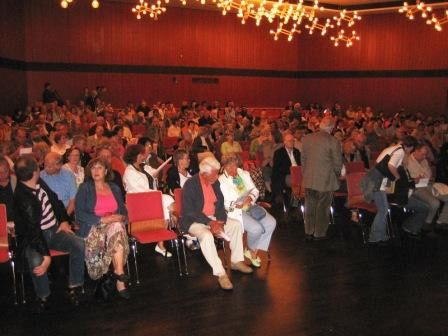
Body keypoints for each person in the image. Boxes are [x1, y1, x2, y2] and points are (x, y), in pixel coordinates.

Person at [13, 155, 85, 309]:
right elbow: (33, 231)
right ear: (35, 171)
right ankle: (43, 296)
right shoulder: (23, 196)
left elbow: (55, 200)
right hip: (33, 238)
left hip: (54, 229)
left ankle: (74, 286)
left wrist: (64, 220)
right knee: (36, 262)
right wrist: (46, 256)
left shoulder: (37, 182)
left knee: (78, 244)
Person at [180, 156, 252, 291]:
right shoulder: (191, 184)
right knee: (206, 236)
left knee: (235, 225)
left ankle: (236, 261)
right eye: (215, 172)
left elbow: (219, 205)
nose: (217, 175)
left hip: (213, 218)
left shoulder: (215, 182)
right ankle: (221, 274)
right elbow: (190, 211)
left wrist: (221, 221)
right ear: (204, 173)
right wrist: (210, 223)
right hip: (194, 221)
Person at [75, 158, 130, 299]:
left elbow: (123, 211)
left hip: (113, 226)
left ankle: (118, 273)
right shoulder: (85, 188)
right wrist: (102, 219)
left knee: (117, 227)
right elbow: (79, 214)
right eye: (93, 168)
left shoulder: (115, 188)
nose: (96, 171)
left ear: (106, 171)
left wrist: (120, 217)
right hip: (93, 227)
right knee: (116, 230)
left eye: (100, 168)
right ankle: (119, 278)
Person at [219, 154, 276, 267]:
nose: (233, 169)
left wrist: (250, 198)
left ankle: (252, 250)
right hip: (236, 211)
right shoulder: (221, 181)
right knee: (256, 229)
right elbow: (224, 203)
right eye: (229, 167)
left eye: (234, 166)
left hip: (250, 205)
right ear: (224, 166)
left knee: (271, 223)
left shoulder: (244, 173)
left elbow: (255, 190)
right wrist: (236, 204)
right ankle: (252, 251)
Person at [364, 136, 418, 244]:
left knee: (384, 208)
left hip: (376, 180)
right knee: (383, 209)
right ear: (410, 147)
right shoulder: (400, 152)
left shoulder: (392, 148)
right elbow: (391, 166)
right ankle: (374, 237)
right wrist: (397, 177)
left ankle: (382, 235)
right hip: (378, 182)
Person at [122, 144, 174, 257]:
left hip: (150, 198)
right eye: (141, 154)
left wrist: (155, 176)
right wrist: (156, 194)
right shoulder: (129, 171)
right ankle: (177, 226)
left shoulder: (144, 167)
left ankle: (161, 243)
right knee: (167, 199)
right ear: (135, 156)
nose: (144, 155)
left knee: (166, 203)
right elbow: (139, 191)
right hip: (139, 202)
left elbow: (155, 174)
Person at [301, 117, 342, 240]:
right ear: (331, 128)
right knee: (323, 207)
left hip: (309, 178)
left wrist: (305, 173)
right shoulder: (333, 141)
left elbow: (303, 160)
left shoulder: (307, 138)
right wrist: (337, 174)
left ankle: (309, 231)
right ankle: (319, 233)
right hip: (325, 180)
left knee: (310, 205)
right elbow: (337, 163)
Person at [405, 144, 448, 228]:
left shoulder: (424, 161)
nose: (424, 156)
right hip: (416, 188)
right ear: (416, 151)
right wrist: (417, 178)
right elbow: (407, 180)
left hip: (428, 185)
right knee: (435, 203)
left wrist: (425, 176)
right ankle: (427, 223)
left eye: (425, 154)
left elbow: (429, 174)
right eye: (422, 154)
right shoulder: (407, 161)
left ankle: (442, 221)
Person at [40, 152, 77, 217]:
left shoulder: (69, 175)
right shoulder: (41, 176)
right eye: (45, 165)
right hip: (47, 214)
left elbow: (73, 200)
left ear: (59, 165)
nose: (46, 168)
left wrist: (65, 217)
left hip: (67, 211)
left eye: (49, 166)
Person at [271, 133, 301, 210]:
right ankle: (295, 204)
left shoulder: (297, 152)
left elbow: (302, 164)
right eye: (289, 141)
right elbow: (278, 169)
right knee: (295, 182)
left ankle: (297, 202)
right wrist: (291, 170)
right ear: (284, 142)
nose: (292, 142)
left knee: (304, 181)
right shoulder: (279, 153)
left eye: (293, 141)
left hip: (298, 174)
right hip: (285, 175)